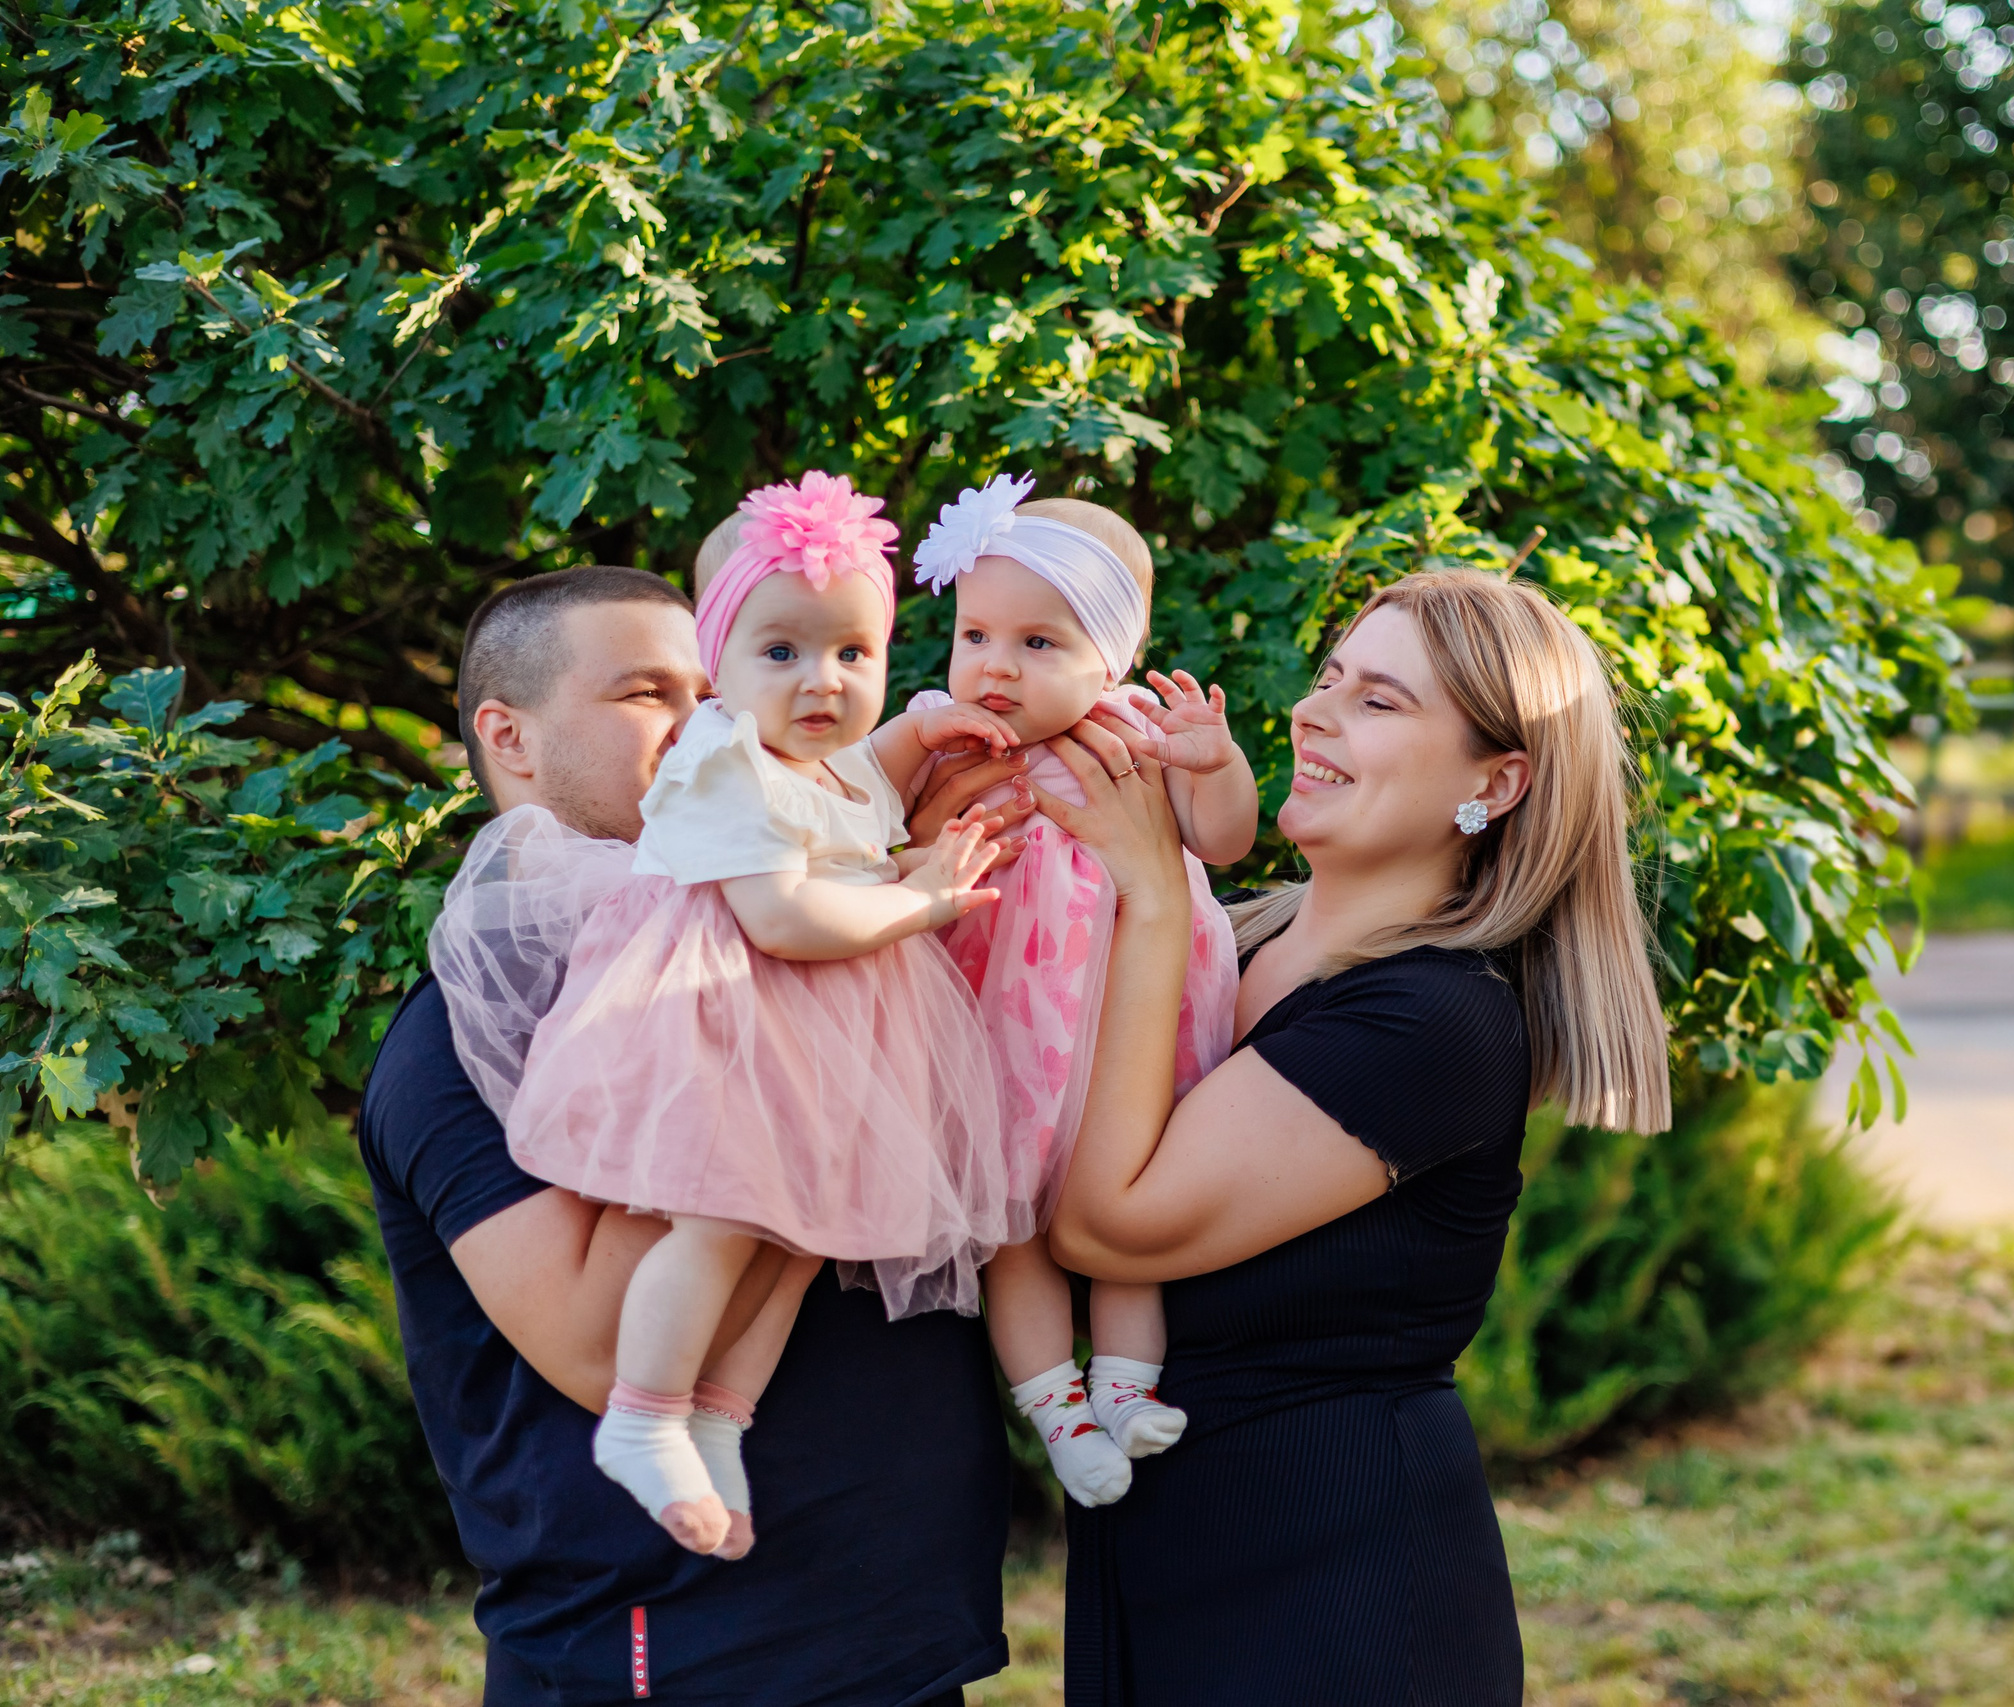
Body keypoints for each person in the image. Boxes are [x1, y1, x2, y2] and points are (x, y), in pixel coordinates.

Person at [358, 560, 1023, 1705]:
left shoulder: (810, 939)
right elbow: (598, 1346)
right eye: (644, 694)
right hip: (679, 1646)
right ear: (509, 738)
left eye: (708, 689)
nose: (704, 720)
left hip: (896, 1629)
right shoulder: (472, 1029)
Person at [1038, 568, 1675, 1704]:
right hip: (1172, 1555)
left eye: (1380, 701)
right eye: (1329, 679)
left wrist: (1149, 893)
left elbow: (1108, 1227)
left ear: (1495, 782)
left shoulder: (1434, 1020)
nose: (1312, 712)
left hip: (1339, 1599)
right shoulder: (1235, 940)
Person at [463, 473, 1018, 1560]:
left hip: (823, 1036)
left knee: (800, 1233)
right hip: (721, 1009)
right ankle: (646, 1412)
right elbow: (782, 919)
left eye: (854, 656)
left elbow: (867, 782)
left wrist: (925, 728)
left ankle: (718, 1417)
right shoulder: (722, 760)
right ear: (726, 667)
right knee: (719, 1216)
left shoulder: (813, 756)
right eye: (783, 654)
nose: (822, 682)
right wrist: (922, 899)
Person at [874, 473, 1253, 1508]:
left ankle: (1128, 1389)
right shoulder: (939, 732)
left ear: (1112, 658)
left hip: (1131, 1012)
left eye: (1039, 644)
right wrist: (911, 755)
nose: (995, 666)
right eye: (978, 635)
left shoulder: (1137, 733)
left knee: (1127, 1210)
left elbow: (1224, 842)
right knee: (1014, 1223)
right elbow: (859, 814)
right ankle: (1059, 1414)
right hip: (999, 1022)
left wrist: (1213, 766)